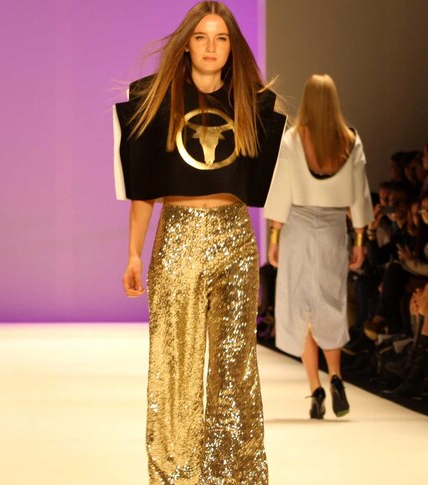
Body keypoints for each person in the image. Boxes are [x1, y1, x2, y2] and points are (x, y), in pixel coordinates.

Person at [115, 2, 285, 483]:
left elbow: (270, 181)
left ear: (233, 47)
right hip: (180, 234)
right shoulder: (155, 100)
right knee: (177, 363)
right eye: (202, 37)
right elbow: (144, 187)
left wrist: (275, 234)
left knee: (236, 363)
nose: (212, 47)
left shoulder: (255, 103)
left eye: (222, 38)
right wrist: (133, 252)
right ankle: (176, 475)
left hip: (235, 236)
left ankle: (236, 474)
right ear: (187, 43)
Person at [264, 74, 374, 419]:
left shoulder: (294, 140)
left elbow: (281, 188)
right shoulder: (351, 140)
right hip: (332, 229)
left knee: (302, 306)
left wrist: (275, 236)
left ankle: (315, 388)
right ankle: (337, 377)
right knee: (329, 302)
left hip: (297, 226)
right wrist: (359, 238)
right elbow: (359, 193)